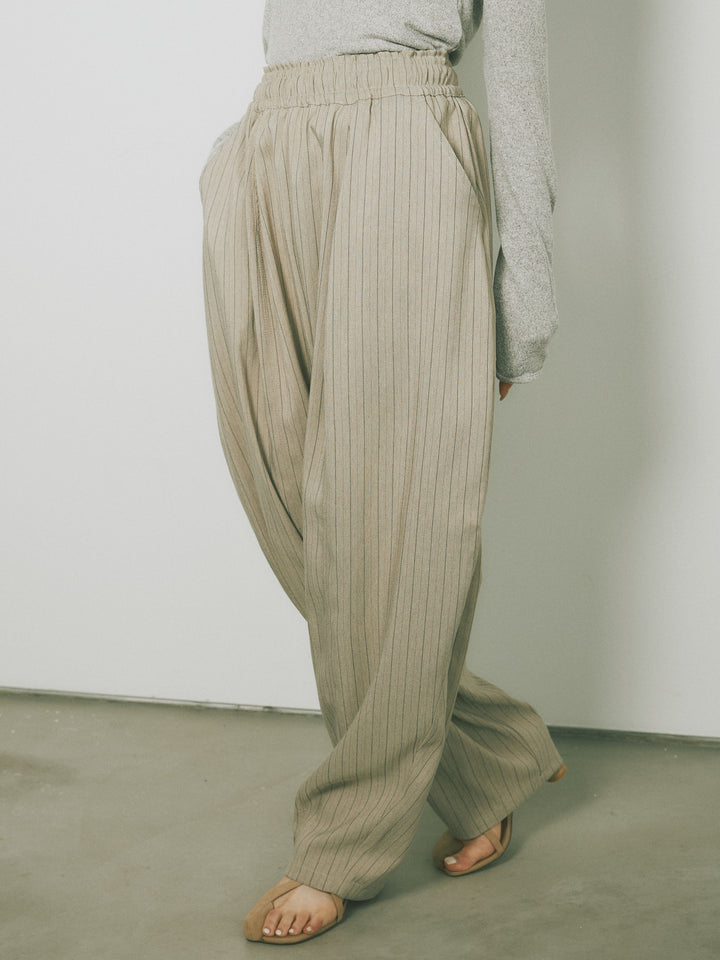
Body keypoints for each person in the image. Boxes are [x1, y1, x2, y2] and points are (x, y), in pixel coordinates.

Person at [198, 0, 565, 945]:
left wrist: (522, 306)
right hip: (271, 143)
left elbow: (520, 79)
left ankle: (345, 839)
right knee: (287, 491)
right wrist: (233, 158)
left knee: (393, 514)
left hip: (403, 147)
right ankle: (489, 758)